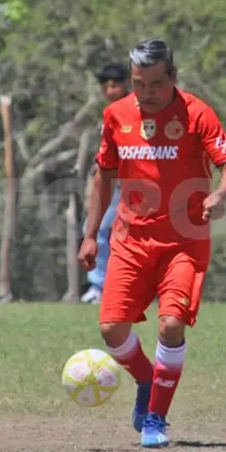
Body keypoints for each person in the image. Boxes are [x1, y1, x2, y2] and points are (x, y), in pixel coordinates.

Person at [79, 38, 226, 448]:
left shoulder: (196, 112)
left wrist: (220, 195)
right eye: (139, 84)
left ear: (172, 77)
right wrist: (89, 234)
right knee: (112, 328)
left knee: (171, 325)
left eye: (155, 84)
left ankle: (156, 416)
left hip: (183, 242)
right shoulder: (116, 115)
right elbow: (103, 175)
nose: (147, 93)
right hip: (130, 240)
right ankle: (148, 380)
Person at [80, 63, 129, 305]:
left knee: (118, 234)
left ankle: (114, 288)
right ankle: (99, 287)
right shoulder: (109, 113)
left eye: (115, 84)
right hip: (112, 184)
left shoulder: (135, 111)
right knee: (94, 229)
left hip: (134, 186)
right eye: (106, 86)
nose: (110, 90)